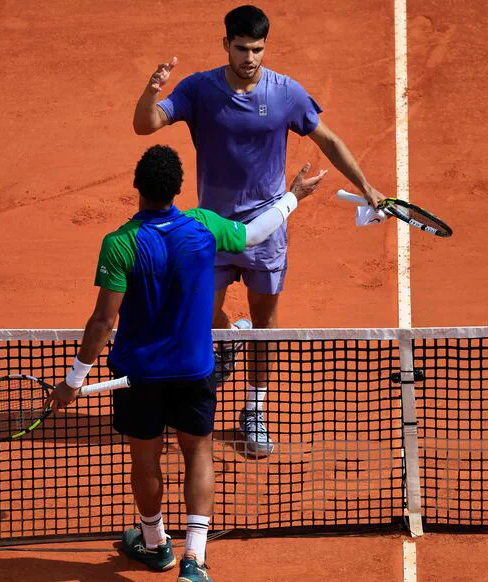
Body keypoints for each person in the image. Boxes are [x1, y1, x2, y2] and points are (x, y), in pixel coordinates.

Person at [46, 145, 325, 582]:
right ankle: (194, 560)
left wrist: (71, 380)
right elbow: (254, 235)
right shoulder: (203, 225)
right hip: (196, 370)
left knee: (145, 459)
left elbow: (103, 320)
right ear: (177, 189)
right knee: (198, 454)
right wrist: (294, 197)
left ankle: (156, 546)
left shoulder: (120, 244)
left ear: (137, 188)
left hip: (138, 378)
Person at [132, 5, 388, 456]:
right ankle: (229, 341)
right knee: (202, 316)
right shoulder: (199, 90)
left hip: (266, 229)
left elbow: (326, 138)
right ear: (225, 44)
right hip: (212, 230)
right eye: (241, 48)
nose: (250, 57)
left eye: (257, 49)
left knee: (265, 325)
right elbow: (144, 124)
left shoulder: (285, 92)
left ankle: (254, 408)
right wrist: (152, 91)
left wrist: (365, 185)